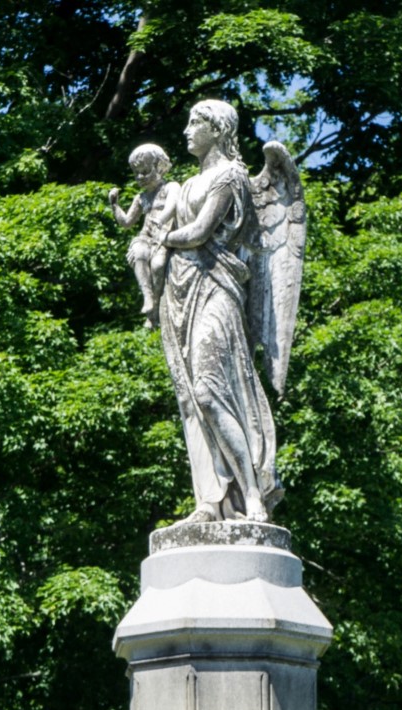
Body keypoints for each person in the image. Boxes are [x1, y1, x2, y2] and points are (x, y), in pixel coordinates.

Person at [160, 100, 283, 523]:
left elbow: (197, 233)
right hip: (178, 292)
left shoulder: (230, 175)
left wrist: (159, 242)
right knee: (191, 397)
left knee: (211, 391)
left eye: (196, 122)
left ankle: (251, 494)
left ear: (218, 128)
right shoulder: (186, 183)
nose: (187, 130)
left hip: (216, 287)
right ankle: (210, 502)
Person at [109, 144, 180, 328]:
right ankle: (148, 298)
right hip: (146, 237)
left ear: (160, 167)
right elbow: (126, 222)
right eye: (137, 173)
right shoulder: (141, 198)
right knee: (138, 252)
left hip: (164, 236)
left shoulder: (171, 187)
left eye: (146, 171)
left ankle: (154, 310)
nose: (140, 177)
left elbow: (172, 206)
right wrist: (115, 205)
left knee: (157, 266)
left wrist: (162, 220)